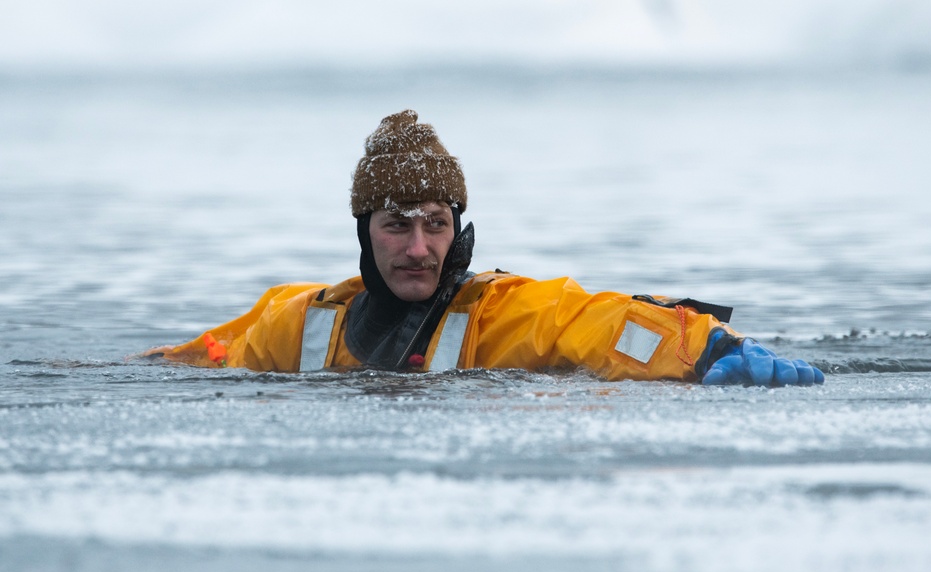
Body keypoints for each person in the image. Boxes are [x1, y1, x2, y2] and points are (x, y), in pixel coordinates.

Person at [144, 110, 823, 387]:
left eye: (436, 224)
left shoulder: (497, 314)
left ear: (457, 227)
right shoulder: (301, 320)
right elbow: (222, 349)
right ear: (361, 230)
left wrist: (699, 350)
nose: (418, 247)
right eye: (396, 224)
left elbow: (589, 320)